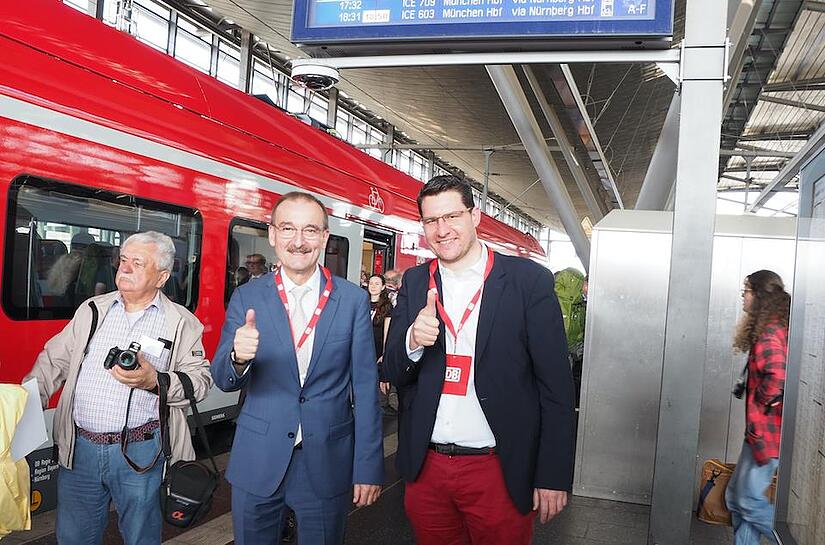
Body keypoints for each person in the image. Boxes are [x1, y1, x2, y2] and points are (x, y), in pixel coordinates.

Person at [383, 176, 574, 545]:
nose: (442, 230)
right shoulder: (416, 281)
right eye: (431, 221)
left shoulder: (527, 281)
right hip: (428, 466)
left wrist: (552, 474)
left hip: (498, 467)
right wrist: (412, 341)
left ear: (475, 216)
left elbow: (556, 387)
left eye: (452, 216)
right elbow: (392, 369)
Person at [212, 192, 384, 545]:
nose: (298, 241)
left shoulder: (352, 300)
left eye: (310, 230)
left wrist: (368, 466)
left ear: (324, 237)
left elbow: (366, 389)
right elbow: (223, 379)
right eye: (288, 228)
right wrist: (238, 358)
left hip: (325, 461)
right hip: (258, 459)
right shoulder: (249, 297)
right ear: (273, 235)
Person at [24, 231, 213, 545]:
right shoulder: (92, 310)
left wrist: (156, 381)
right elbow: (52, 362)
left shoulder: (181, 323)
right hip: (79, 449)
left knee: (141, 537)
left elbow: (200, 383)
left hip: (141, 453)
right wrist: (21, 407)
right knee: (74, 538)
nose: (124, 268)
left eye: (138, 263)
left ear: (162, 276)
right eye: (123, 260)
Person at [726, 270, 790, 545]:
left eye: (747, 292)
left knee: (748, 500)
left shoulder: (769, 336)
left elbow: (778, 375)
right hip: (759, 432)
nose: (743, 297)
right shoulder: (772, 329)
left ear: (760, 297)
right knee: (735, 498)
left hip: (767, 434)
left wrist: (761, 404)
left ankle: (786, 538)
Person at [367, 274, 395, 414]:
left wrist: (385, 353)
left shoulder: (386, 306)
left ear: (383, 287)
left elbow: (387, 331)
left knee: (377, 379)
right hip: (362, 348)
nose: (373, 286)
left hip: (376, 348)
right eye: (371, 283)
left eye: (377, 283)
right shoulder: (362, 302)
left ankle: (381, 405)